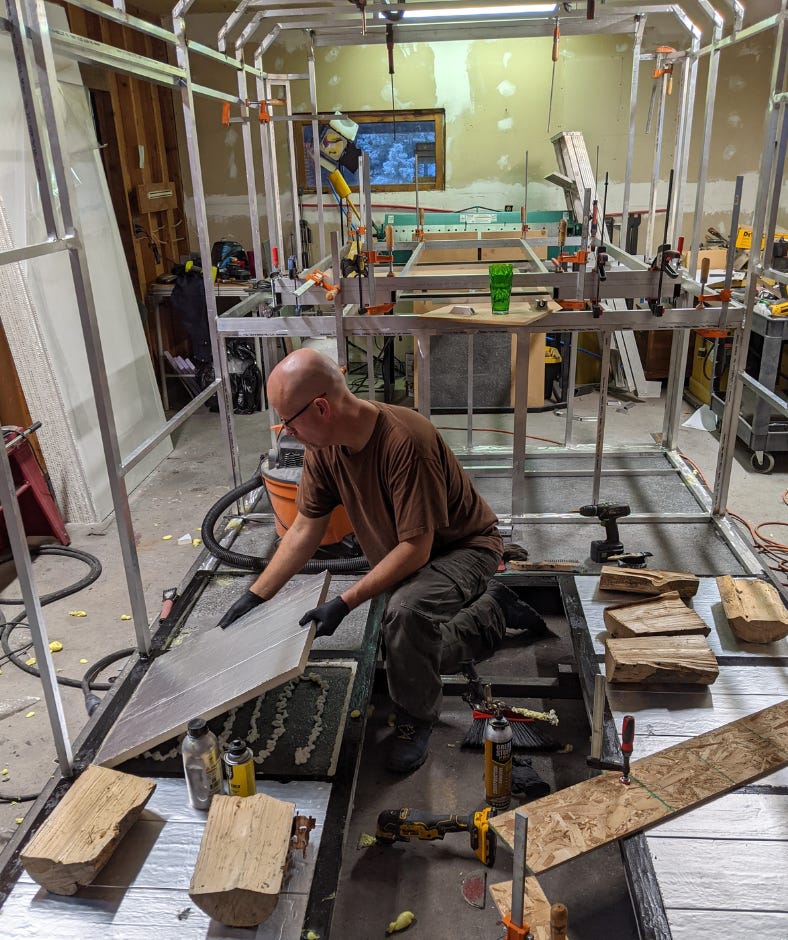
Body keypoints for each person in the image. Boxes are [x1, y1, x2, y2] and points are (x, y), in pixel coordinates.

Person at [217, 347, 545, 773]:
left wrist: (345, 601)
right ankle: (492, 612)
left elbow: (417, 550)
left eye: (289, 422)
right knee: (406, 652)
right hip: (405, 552)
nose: (287, 434)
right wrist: (255, 596)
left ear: (320, 407)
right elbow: (304, 529)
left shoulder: (407, 442)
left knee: (405, 616)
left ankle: (418, 719)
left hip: (464, 548)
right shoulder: (325, 446)